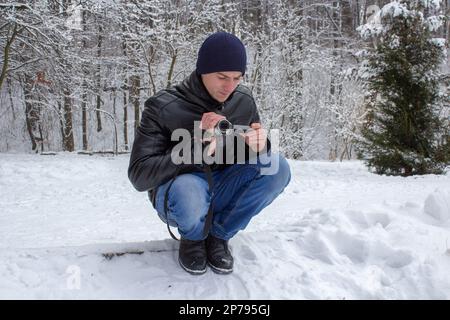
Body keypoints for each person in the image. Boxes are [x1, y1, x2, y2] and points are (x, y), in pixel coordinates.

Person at [128, 31, 291, 275]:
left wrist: (261, 145)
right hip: (180, 195)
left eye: (237, 78)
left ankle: (218, 235)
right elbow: (139, 176)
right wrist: (195, 147)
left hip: (221, 187)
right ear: (202, 70)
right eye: (222, 77)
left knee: (276, 166)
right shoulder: (162, 106)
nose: (230, 86)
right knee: (189, 188)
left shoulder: (243, 100)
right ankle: (193, 239)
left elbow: (249, 154)